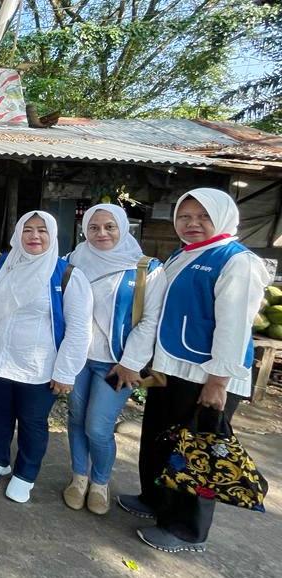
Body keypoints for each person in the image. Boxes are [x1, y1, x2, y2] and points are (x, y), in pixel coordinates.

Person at [121, 188, 269, 553]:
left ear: (222, 216)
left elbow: (234, 327)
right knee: (161, 438)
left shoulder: (236, 261)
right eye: (185, 217)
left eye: (202, 217)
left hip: (206, 375)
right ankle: (156, 500)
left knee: (199, 451)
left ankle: (188, 528)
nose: (192, 224)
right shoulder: (182, 254)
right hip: (172, 368)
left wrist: (218, 381)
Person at [0, 211, 92, 503]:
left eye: (42, 230)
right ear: (18, 234)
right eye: (28, 230)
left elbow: (79, 329)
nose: (34, 236)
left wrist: (66, 372)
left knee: (32, 421)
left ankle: (25, 474)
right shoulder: (5, 264)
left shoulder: (67, 275)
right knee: (0, 413)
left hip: (38, 366)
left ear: (52, 235)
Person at [63, 204, 166, 515]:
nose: (101, 233)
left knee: (98, 426)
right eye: (94, 227)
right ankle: (79, 478)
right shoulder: (72, 260)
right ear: (85, 230)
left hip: (117, 364)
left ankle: (100, 482)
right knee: (76, 419)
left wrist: (131, 362)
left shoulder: (146, 268)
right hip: (78, 359)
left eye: (110, 226)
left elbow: (151, 320)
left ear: (123, 228)